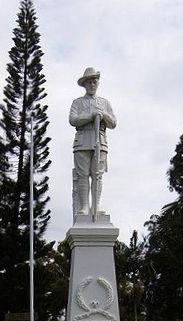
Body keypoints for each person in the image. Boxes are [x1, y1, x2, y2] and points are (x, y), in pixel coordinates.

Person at [69, 67, 117, 219]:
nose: (92, 84)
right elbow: (73, 120)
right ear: (85, 84)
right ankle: (84, 206)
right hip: (83, 140)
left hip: (100, 140)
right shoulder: (77, 103)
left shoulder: (104, 103)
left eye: (94, 81)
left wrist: (103, 116)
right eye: (89, 82)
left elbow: (113, 123)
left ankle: (96, 205)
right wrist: (90, 116)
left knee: (97, 175)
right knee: (83, 175)